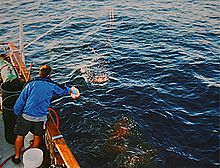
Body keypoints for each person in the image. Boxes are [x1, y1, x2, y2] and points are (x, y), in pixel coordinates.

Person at [12, 65, 80, 164]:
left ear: (39, 73)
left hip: (26, 116)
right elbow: (63, 90)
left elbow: (21, 101)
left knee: (20, 135)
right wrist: (72, 91)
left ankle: (17, 157)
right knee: (37, 136)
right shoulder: (51, 85)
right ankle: (32, 154)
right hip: (40, 119)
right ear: (49, 75)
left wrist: (17, 112)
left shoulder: (30, 84)